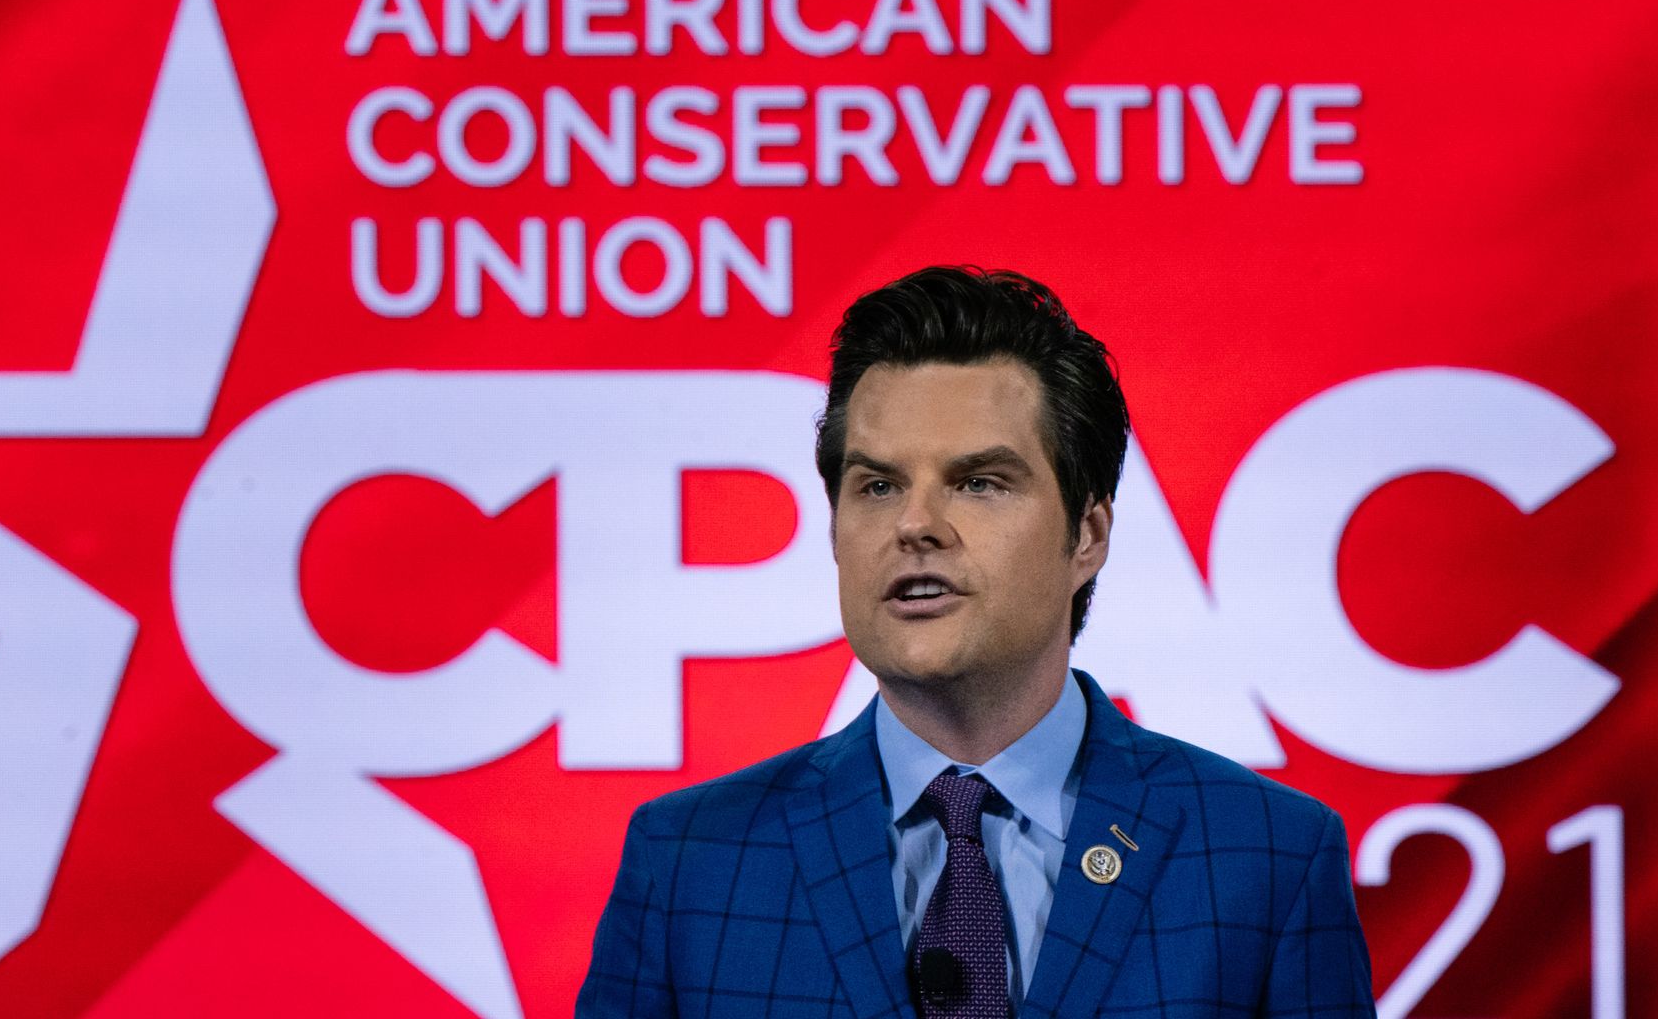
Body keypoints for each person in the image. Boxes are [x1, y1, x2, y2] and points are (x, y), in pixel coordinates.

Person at [577, 266, 1376, 1017]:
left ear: (1087, 535)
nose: (915, 524)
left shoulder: (1266, 858)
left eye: (979, 482)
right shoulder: (688, 863)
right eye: (877, 485)